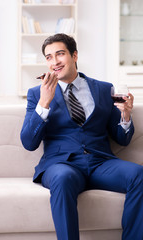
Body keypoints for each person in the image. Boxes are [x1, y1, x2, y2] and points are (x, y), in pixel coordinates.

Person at [20, 33, 143, 240]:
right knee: (62, 178)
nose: (54, 62)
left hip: (100, 163)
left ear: (74, 55)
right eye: (49, 57)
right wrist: (44, 103)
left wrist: (125, 114)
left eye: (60, 54)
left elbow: (122, 138)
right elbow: (28, 142)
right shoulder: (36, 93)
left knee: (139, 174)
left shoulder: (104, 89)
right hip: (61, 164)